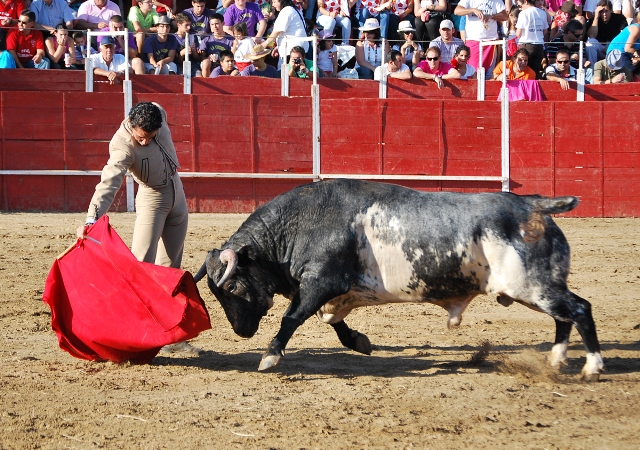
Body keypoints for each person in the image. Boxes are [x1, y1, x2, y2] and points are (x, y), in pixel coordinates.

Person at [76, 101, 199, 357]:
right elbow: (109, 182)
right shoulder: (122, 145)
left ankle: (172, 337)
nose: (145, 143)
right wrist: (91, 219)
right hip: (153, 199)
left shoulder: (158, 113)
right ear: (132, 125)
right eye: (141, 137)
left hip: (178, 194)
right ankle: (134, 335)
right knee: (140, 267)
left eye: (151, 138)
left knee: (171, 271)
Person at [454, 0, 507, 71]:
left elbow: (505, 16)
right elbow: (457, 11)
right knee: (473, 70)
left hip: (491, 41)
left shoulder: (496, 1)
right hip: (473, 40)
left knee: (489, 72)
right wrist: (473, 10)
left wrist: (492, 16)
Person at [585, 1, 627, 66]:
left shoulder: (619, 18)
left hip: (615, 47)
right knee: (590, 42)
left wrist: (610, 46)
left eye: (606, 11)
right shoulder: (593, 20)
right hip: (600, 48)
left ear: (611, 10)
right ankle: (592, 69)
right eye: (601, 12)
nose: (604, 14)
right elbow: (592, 36)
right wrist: (596, 17)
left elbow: (624, 36)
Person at [515, 0, 547, 78]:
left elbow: (518, 34)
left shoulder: (523, 13)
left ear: (525, 1)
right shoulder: (543, 13)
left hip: (526, 45)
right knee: (534, 73)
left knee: (523, 72)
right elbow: (545, 32)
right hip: (539, 45)